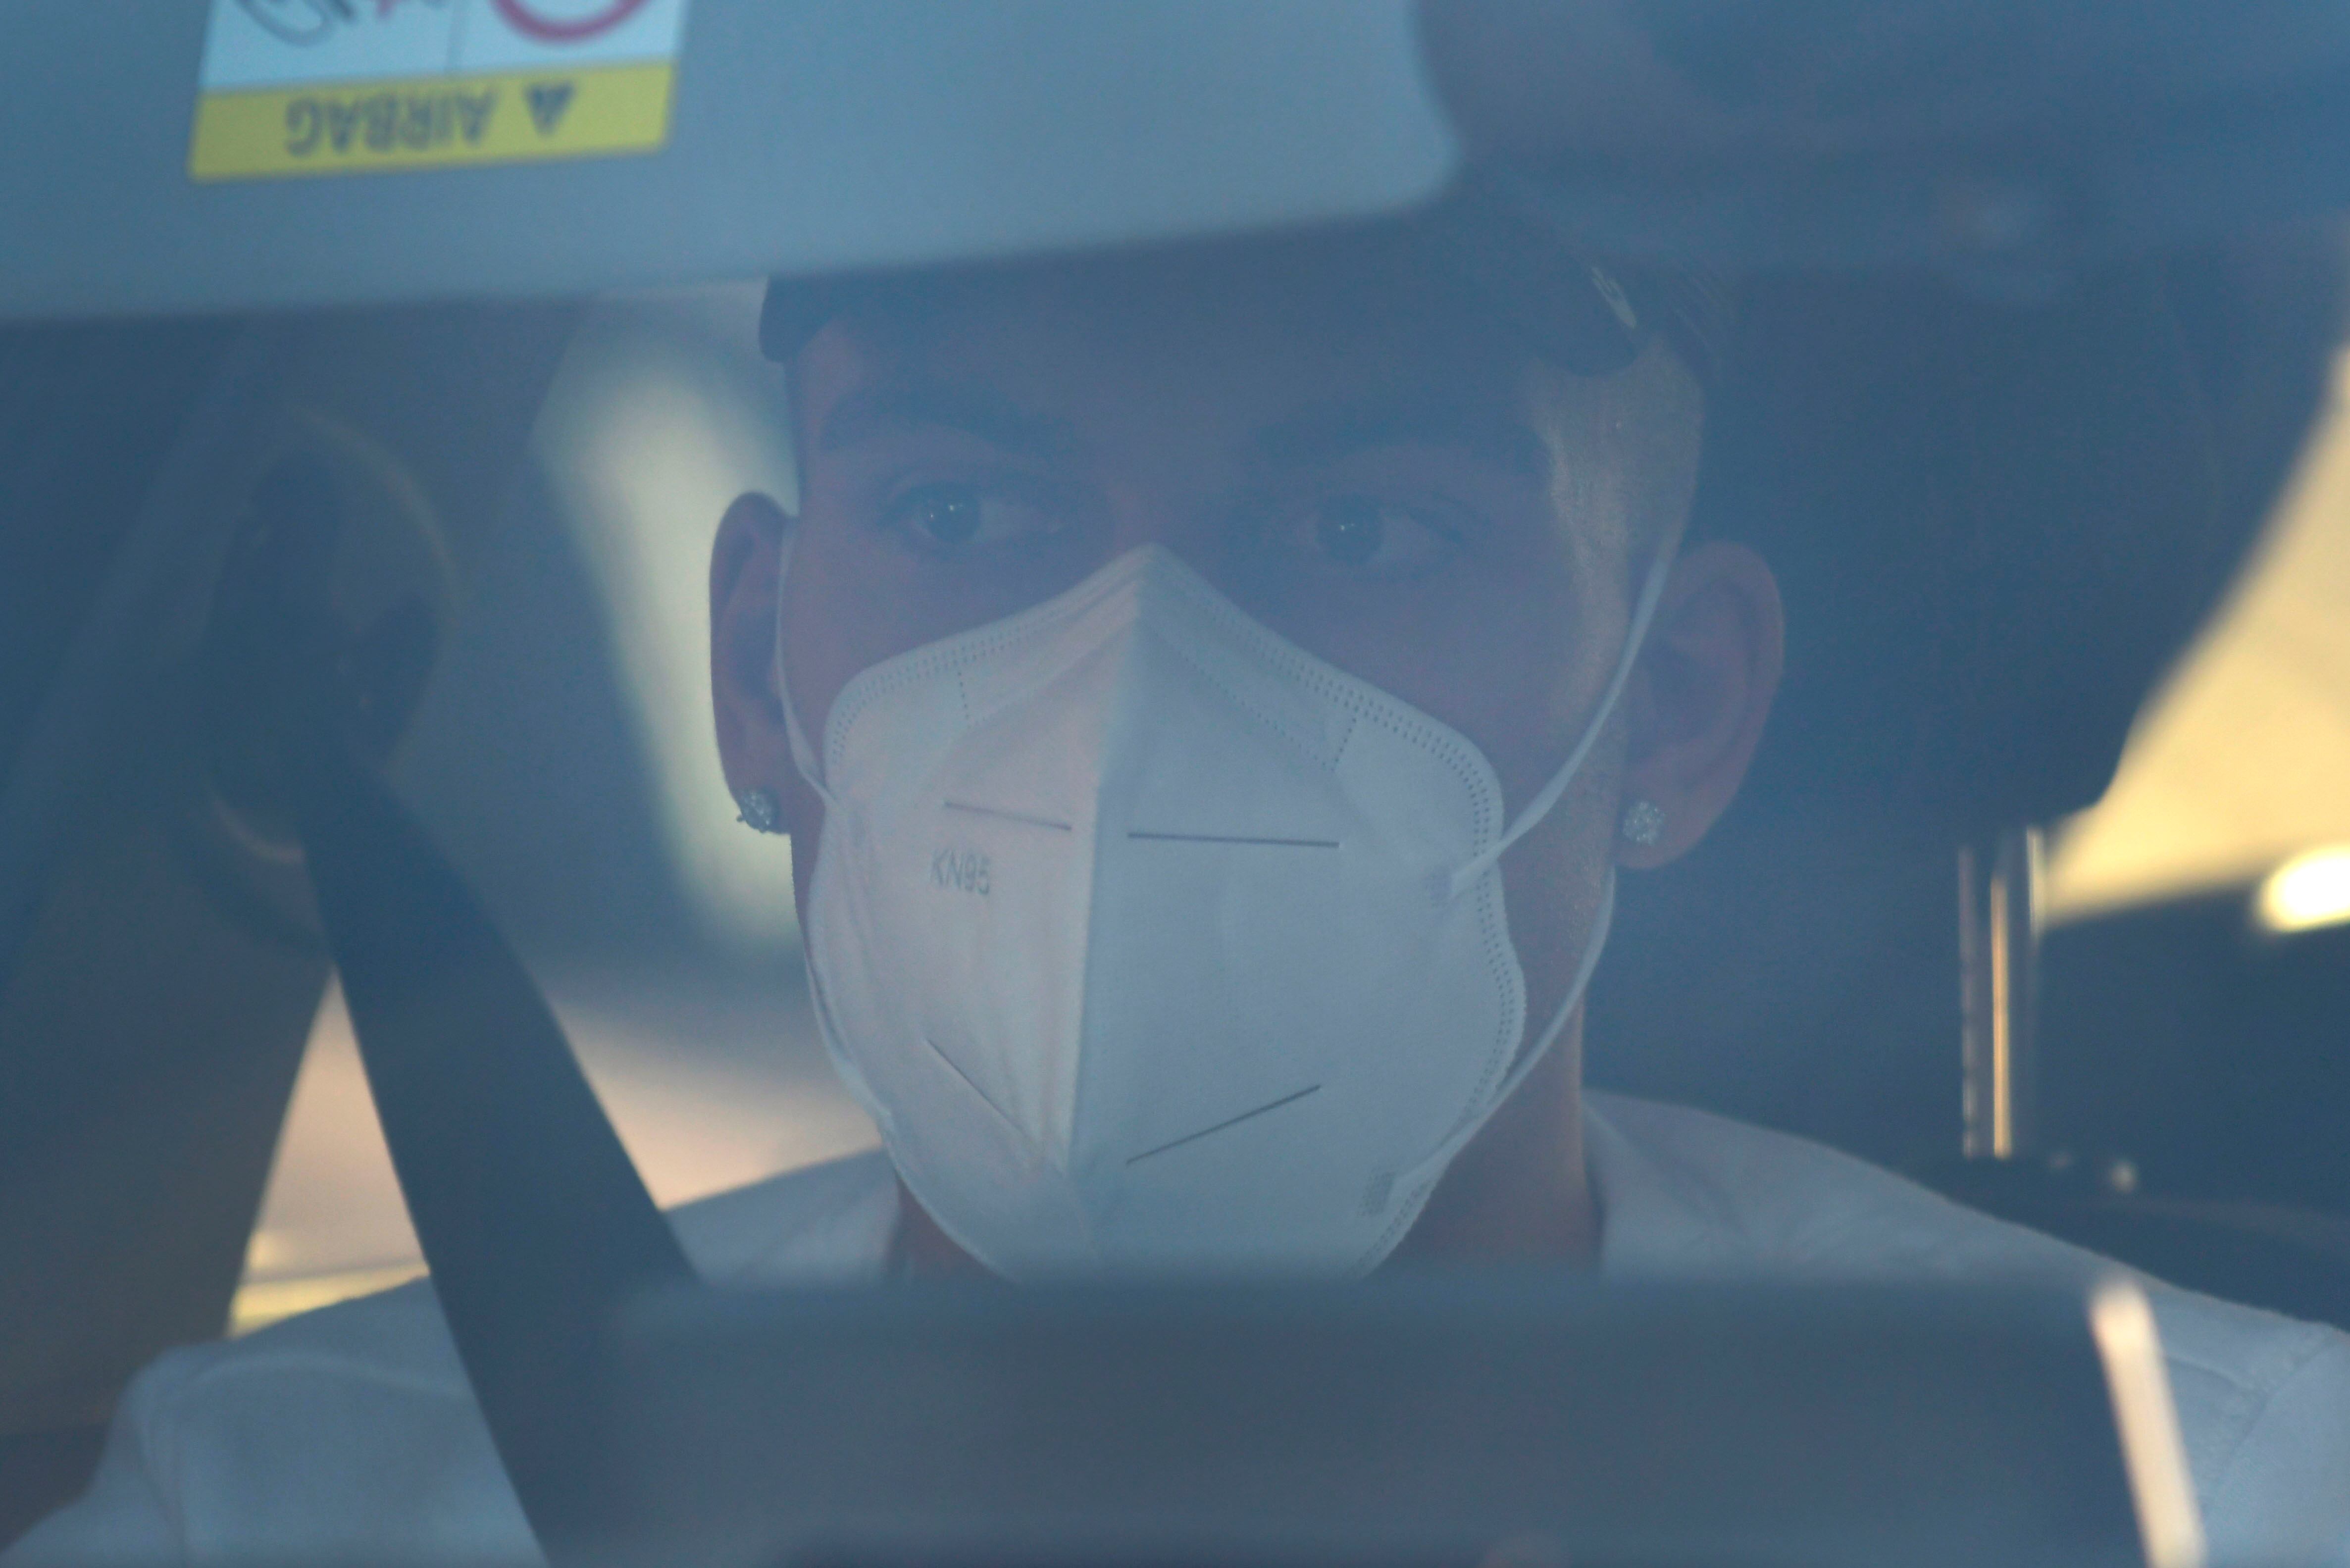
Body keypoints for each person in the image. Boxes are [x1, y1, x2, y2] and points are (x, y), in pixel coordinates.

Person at [13, 202, 2350, 1566]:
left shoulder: (2225, 1512)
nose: (1123, 684)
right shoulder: (296, 1520)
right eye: (960, 515)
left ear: (1676, 712)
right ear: (756, 675)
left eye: (1358, 534)